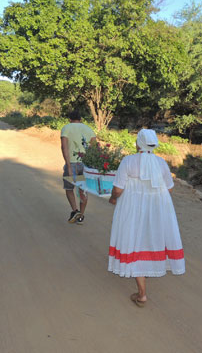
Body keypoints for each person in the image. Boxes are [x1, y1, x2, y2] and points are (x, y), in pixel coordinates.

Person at [108, 129, 185, 307]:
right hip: (157, 210)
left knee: (134, 243)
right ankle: (145, 280)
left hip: (132, 209)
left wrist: (113, 198)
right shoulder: (161, 163)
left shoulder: (128, 161)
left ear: (138, 143)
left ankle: (142, 293)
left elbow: (118, 189)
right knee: (150, 241)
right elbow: (170, 189)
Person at [60, 110, 96, 224]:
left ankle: (75, 210)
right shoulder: (89, 130)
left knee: (69, 188)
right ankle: (81, 215)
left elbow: (64, 147)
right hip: (86, 165)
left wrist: (69, 166)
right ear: (81, 119)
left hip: (73, 164)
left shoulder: (66, 128)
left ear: (70, 119)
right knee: (83, 190)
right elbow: (95, 149)